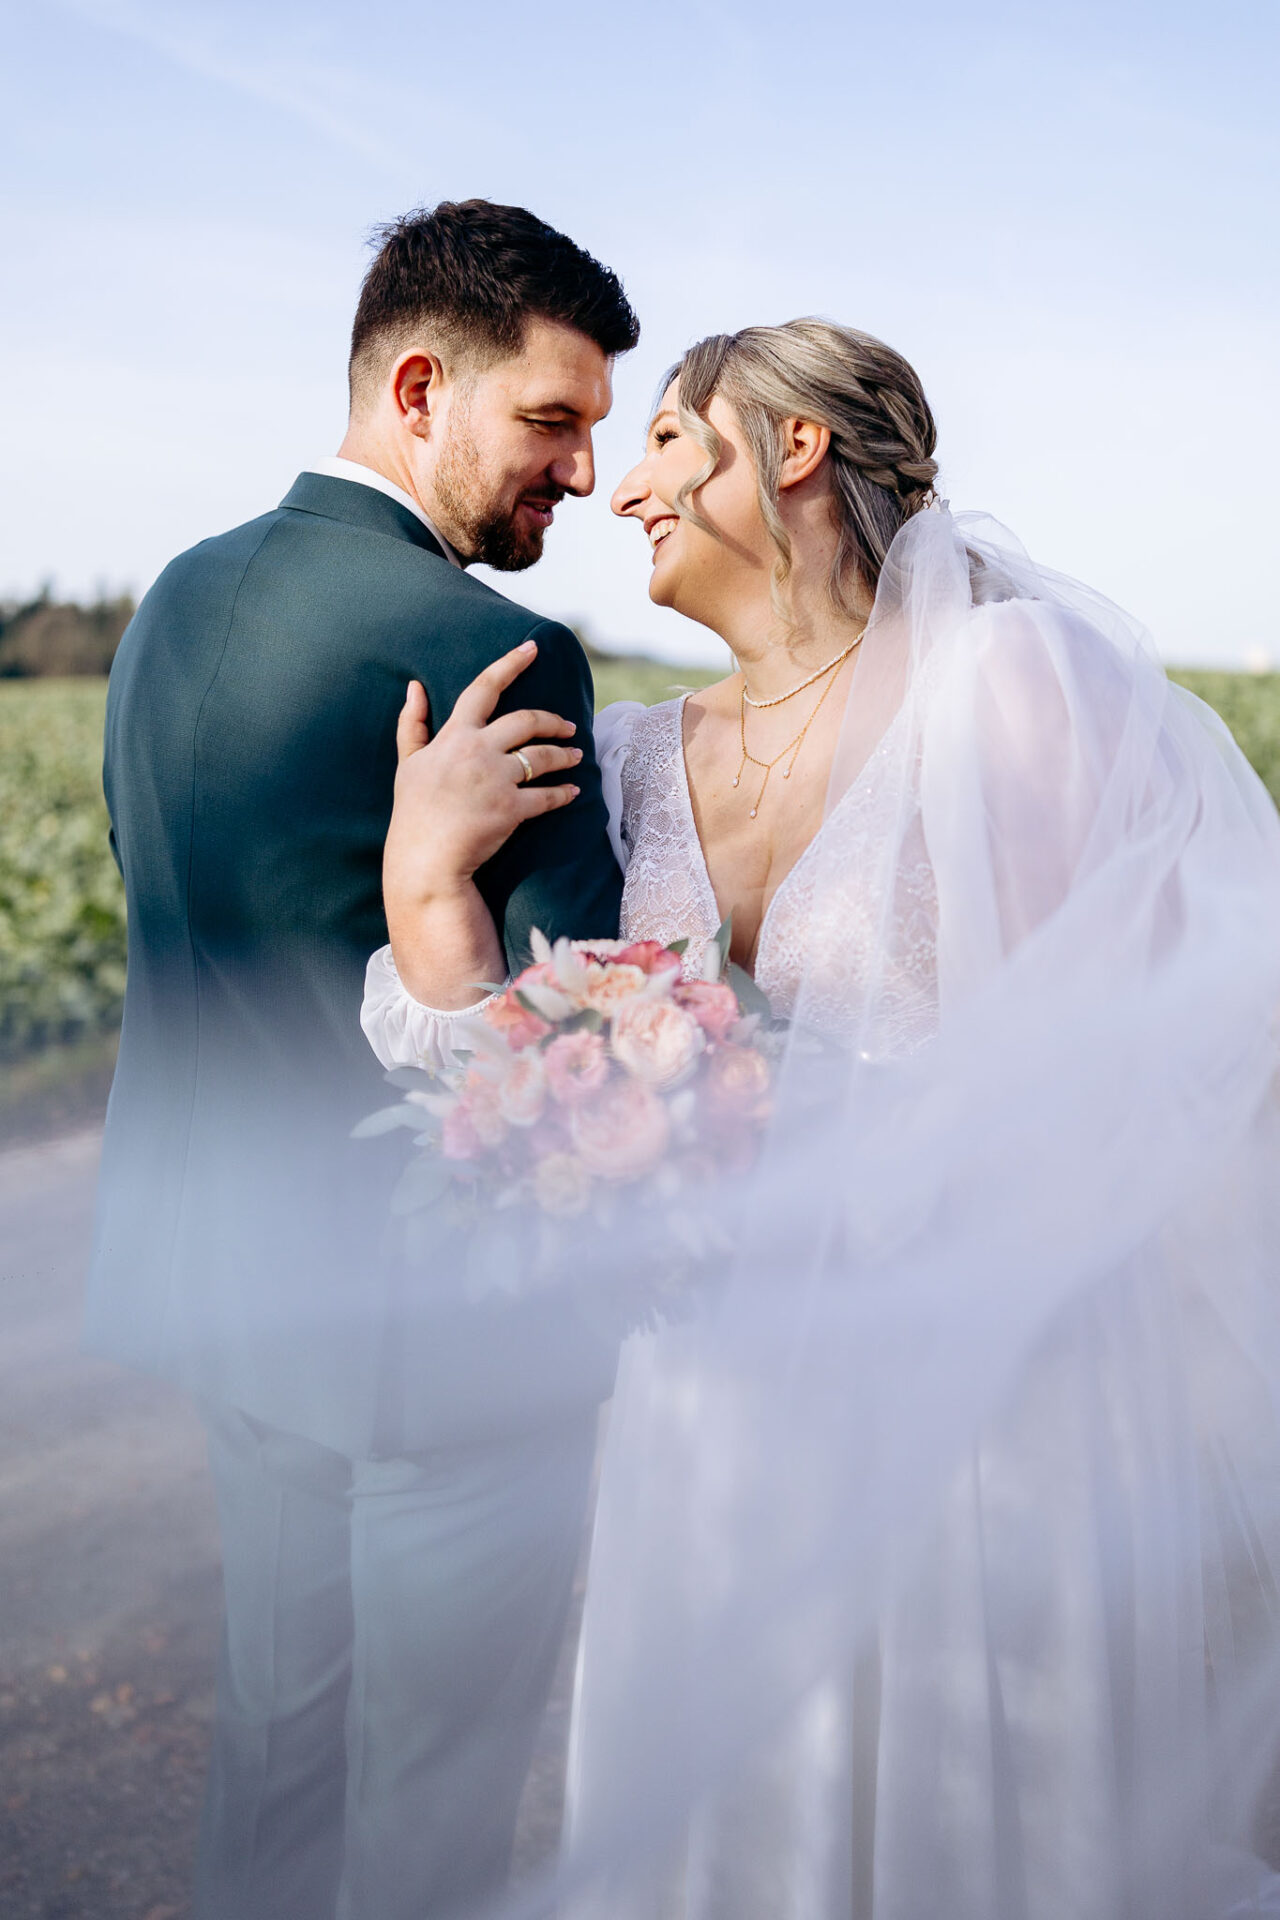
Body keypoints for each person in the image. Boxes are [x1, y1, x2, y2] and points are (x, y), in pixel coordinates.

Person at [366, 319, 1280, 1917]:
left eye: (661, 438)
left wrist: (832, 1151)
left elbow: (1151, 1045)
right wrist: (427, 879)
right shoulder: (641, 762)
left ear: (786, 447)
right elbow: (527, 1065)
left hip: (974, 1409)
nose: (620, 485)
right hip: (709, 1423)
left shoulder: (1006, 684)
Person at [86, 199, 638, 1920]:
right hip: (440, 1348)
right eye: (552, 422)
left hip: (219, 1280)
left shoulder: (173, 604)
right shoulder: (495, 655)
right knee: (429, 1814)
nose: (578, 471)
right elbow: (581, 1056)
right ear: (420, 385)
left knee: (278, 1750)